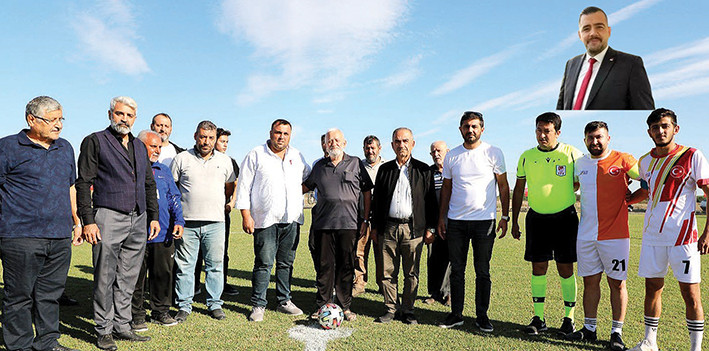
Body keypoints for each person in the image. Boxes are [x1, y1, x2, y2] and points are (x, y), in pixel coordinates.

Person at [76, 96, 160, 350]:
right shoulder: (95, 141)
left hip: (138, 217)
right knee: (104, 275)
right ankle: (103, 329)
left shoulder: (138, 145)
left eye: (129, 115)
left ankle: (122, 326)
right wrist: (88, 221)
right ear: (110, 114)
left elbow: (148, 183)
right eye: (120, 114)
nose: (124, 119)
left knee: (128, 276)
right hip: (108, 215)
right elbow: (83, 182)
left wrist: (153, 216)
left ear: (136, 118)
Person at [0, 96, 81, 351]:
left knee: (50, 295)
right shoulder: (7, 147)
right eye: (52, 120)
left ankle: (47, 342)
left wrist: (77, 221)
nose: (58, 125)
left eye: (60, 119)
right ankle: (19, 346)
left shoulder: (65, 147)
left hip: (59, 236)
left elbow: (71, 186)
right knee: (19, 296)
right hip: (19, 236)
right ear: (31, 120)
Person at [629, 109, 708, 351]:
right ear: (649, 132)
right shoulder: (644, 161)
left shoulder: (692, 155)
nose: (660, 131)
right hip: (653, 236)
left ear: (675, 128)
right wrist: (626, 200)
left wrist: (707, 233)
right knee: (652, 287)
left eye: (665, 126)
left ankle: (695, 349)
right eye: (655, 127)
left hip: (684, 238)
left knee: (690, 292)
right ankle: (649, 342)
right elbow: (646, 191)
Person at [566, 121, 640, 350]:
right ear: (585, 140)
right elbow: (573, 186)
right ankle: (589, 329)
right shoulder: (579, 164)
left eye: (599, 137)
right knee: (590, 282)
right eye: (590, 137)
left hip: (616, 236)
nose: (595, 141)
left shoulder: (625, 160)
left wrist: (631, 199)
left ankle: (616, 333)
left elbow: (649, 182)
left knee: (617, 283)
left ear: (609, 138)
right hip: (586, 235)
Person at [436, 112, 510, 331]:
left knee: (482, 271)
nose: (470, 130)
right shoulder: (452, 156)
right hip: (456, 222)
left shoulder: (493, 152)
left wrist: (505, 216)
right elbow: (447, 188)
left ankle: (482, 316)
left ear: (482, 129)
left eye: (474, 126)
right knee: (457, 270)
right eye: (466, 126)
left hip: (484, 222)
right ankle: (456, 314)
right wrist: (441, 217)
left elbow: (503, 186)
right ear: (460, 129)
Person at [511, 112, 583, 336]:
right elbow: (518, 188)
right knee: (538, 267)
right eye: (539, 130)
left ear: (557, 132)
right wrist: (513, 220)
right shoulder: (526, 156)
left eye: (547, 131)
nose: (542, 135)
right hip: (536, 218)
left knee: (565, 268)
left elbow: (582, 182)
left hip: (565, 219)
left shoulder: (572, 154)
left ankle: (568, 319)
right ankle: (538, 318)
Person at [237, 119, 310, 322]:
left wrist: (294, 194)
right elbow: (243, 186)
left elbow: (308, 179)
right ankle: (258, 304)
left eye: (285, 134)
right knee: (264, 263)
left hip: (292, 218)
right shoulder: (256, 154)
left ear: (290, 135)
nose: (281, 137)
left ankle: (284, 301)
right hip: (264, 219)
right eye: (278, 132)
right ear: (270, 132)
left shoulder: (297, 155)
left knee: (286, 263)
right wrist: (246, 215)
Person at [303, 128, 373, 322]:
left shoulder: (356, 163)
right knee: (325, 267)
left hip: (349, 224)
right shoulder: (319, 166)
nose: (333, 143)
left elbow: (367, 192)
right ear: (325, 144)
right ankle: (322, 305)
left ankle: (345, 306)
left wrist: (365, 220)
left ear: (344, 143)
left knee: (346, 266)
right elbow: (305, 187)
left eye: (336, 140)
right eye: (329, 141)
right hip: (323, 224)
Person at [370, 128, 437, 325]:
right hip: (388, 228)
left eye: (405, 141)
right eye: (397, 141)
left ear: (413, 143)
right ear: (392, 145)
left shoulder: (424, 170)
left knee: (411, 273)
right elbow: (377, 201)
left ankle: (408, 310)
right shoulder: (385, 169)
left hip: (413, 229)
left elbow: (431, 201)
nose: (401, 145)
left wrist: (431, 228)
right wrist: (375, 227)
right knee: (387, 272)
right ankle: (391, 309)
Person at [171, 120, 236, 323]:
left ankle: (214, 304)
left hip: (216, 222)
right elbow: (173, 189)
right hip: (187, 222)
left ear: (215, 139)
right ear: (195, 136)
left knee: (215, 265)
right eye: (202, 137)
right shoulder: (181, 158)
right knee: (185, 266)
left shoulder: (225, 160)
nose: (206, 141)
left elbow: (229, 187)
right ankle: (184, 305)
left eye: (210, 138)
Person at [130, 130, 185, 331]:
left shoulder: (163, 170)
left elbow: (173, 196)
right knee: (136, 276)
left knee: (162, 274)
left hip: (163, 232)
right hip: (137, 232)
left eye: (159, 147)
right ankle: (136, 315)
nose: (157, 150)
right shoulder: (131, 168)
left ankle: (161, 311)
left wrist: (179, 220)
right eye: (153, 146)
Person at [557, 6, 654, 110]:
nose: (593, 33)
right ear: (580, 35)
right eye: (586, 29)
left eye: (599, 27)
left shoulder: (631, 64)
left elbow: (645, 110)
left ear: (608, 31)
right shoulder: (571, 65)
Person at [353, 135, 386, 296]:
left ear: (379, 148)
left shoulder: (387, 166)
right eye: (367, 148)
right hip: (362, 215)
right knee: (360, 251)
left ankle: (382, 284)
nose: (370, 151)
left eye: (373, 148)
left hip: (381, 217)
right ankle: (359, 282)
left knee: (381, 251)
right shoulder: (358, 166)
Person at [424, 140, 451, 306]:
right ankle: (434, 293)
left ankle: (449, 294)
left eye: (439, 151)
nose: (436, 154)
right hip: (434, 225)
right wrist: (429, 227)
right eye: (433, 152)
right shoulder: (428, 173)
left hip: (453, 224)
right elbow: (425, 200)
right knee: (433, 259)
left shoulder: (454, 171)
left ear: (447, 151)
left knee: (452, 261)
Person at [213, 127, 240, 296]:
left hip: (222, 213)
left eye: (227, 142)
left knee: (222, 250)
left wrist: (232, 203)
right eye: (222, 141)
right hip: (202, 211)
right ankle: (195, 285)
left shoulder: (230, 161)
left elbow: (236, 184)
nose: (225, 145)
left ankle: (222, 283)